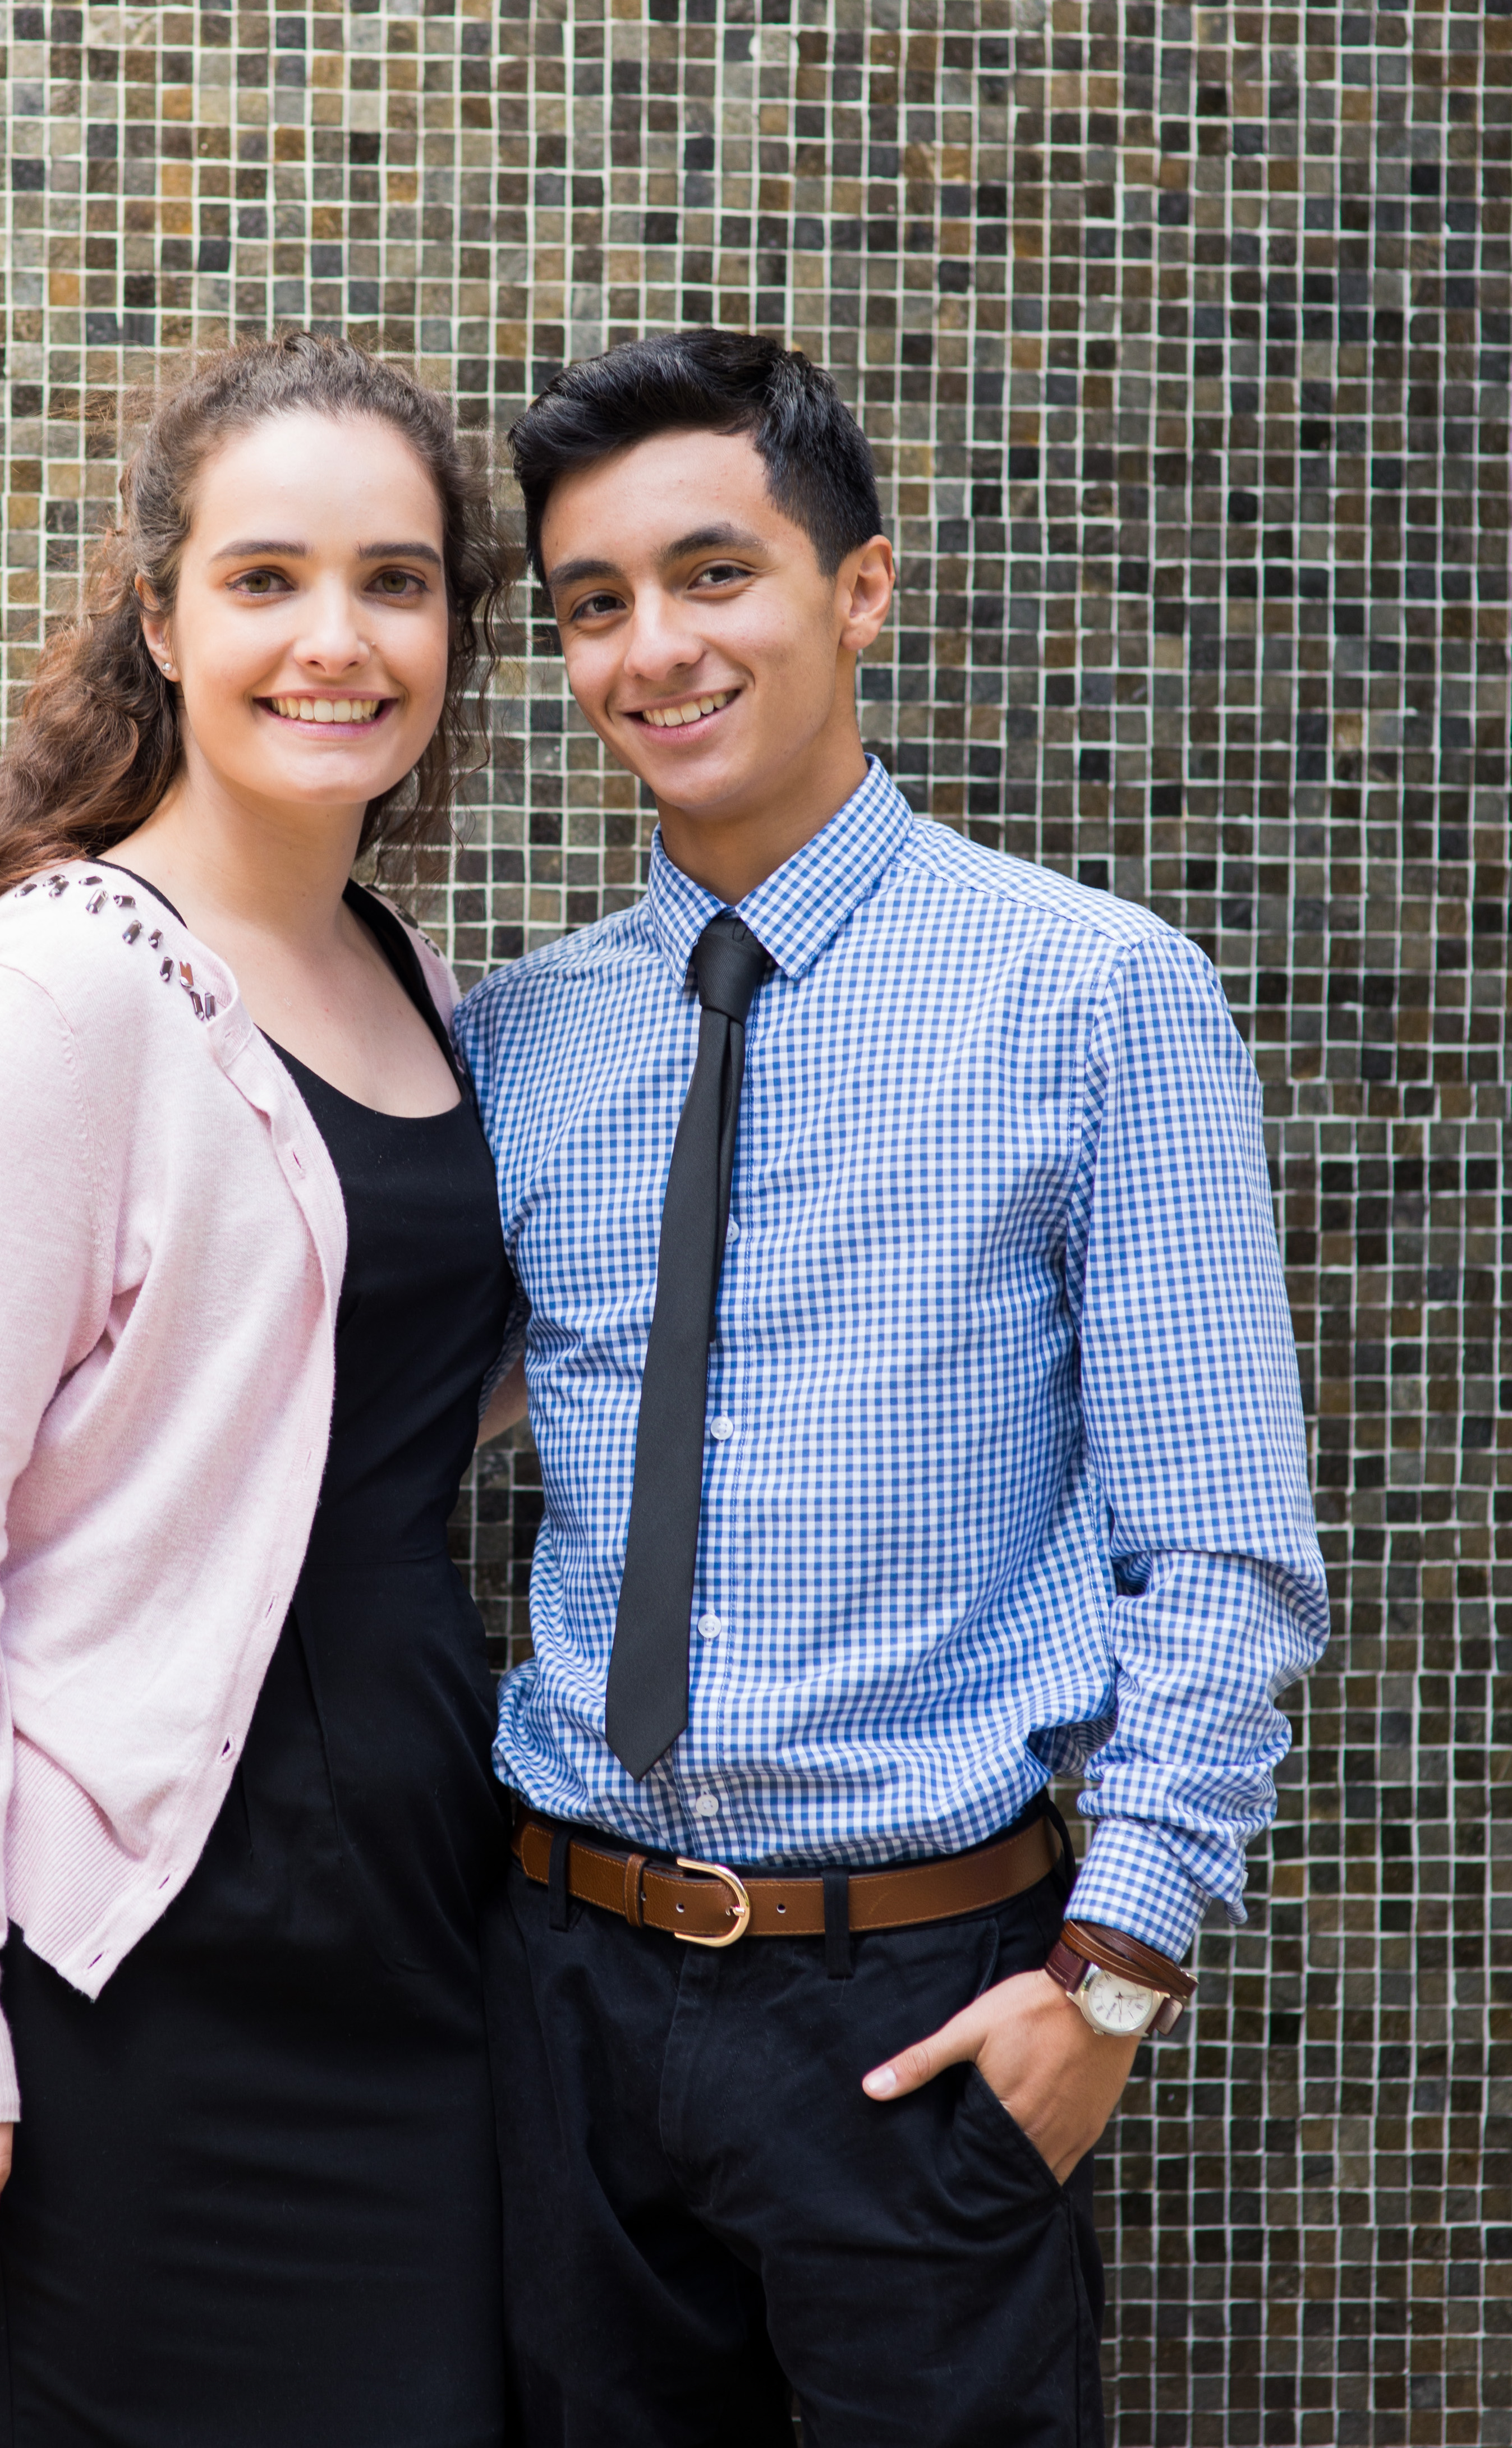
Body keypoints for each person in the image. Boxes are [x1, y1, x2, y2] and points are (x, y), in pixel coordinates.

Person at [453, 328, 1330, 2446]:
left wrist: (1107, 1986)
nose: (654, 647)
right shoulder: (519, 1039)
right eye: (594, 604)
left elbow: (1220, 1545)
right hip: (559, 1982)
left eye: (714, 572)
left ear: (861, 588)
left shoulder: (1093, 996)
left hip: (920, 2003)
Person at [0, 332, 517, 2447]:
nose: (340, 640)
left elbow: (344, 1385)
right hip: (133, 1957)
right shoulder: (63, 987)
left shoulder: (400, 966)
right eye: (266, 580)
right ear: (161, 615)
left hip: (413, 1925)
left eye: (397, 582)